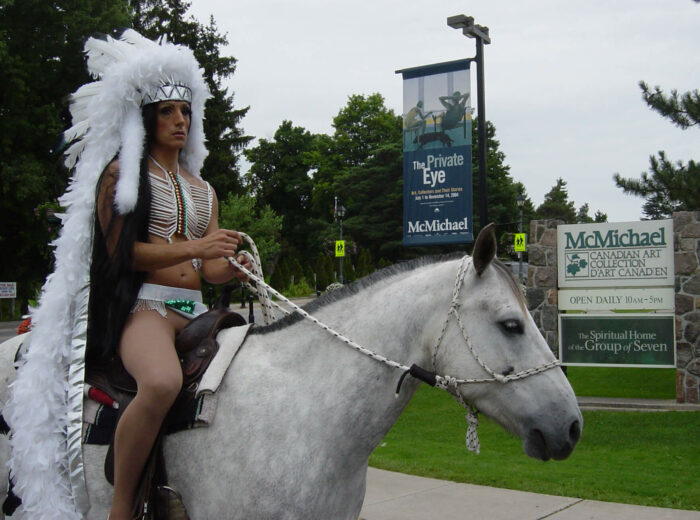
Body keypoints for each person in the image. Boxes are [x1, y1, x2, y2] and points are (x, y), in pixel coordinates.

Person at [6, 30, 250, 520]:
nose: (180, 120)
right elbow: (119, 256)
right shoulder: (122, 175)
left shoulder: (204, 189)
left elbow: (209, 268)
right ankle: (122, 508)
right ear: (146, 118)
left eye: (185, 112)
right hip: (146, 309)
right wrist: (200, 246)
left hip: (199, 312)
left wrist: (233, 266)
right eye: (167, 112)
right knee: (160, 383)